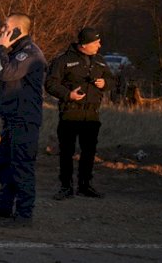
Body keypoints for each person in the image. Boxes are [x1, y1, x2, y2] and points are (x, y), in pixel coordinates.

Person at [0, 14, 46, 227]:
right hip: (13, 118)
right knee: (6, 165)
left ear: (17, 30)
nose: (2, 30)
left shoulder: (29, 54)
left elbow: (6, 74)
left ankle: (24, 214)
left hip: (25, 120)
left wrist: (0, 49)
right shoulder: (18, 53)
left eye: (6, 27)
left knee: (22, 166)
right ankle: (4, 207)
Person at [46, 27, 115, 200]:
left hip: (92, 115)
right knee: (67, 151)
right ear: (84, 45)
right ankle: (65, 186)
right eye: (96, 42)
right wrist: (68, 95)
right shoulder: (63, 61)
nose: (100, 45)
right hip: (70, 113)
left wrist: (104, 83)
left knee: (89, 152)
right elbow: (51, 84)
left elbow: (113, 80)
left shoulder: (100, 61)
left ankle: (85, 185)